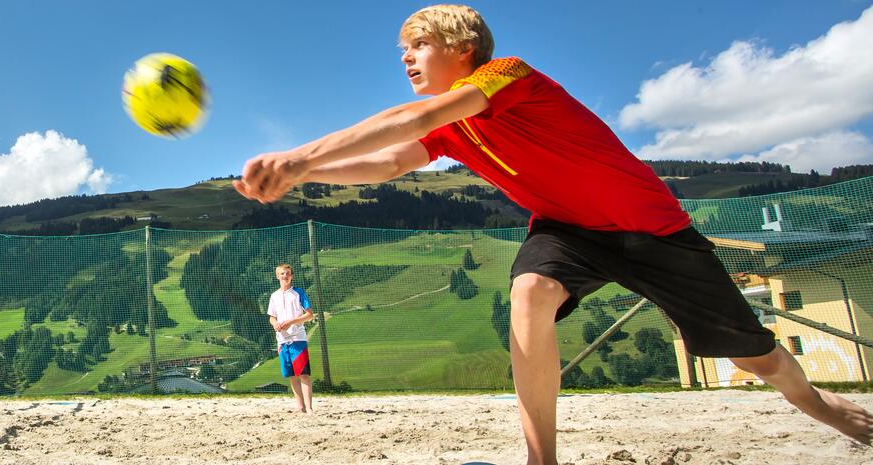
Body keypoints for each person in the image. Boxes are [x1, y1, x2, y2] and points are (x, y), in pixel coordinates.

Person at [232, 5, 870, 463]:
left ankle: (818, 404)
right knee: (530, 290)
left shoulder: (507, 74)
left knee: (751, 355)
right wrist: (305, 173)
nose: (405, 57)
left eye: (417, 45)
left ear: (462, 49)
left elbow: (417, 116)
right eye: (404, 49)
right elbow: (392, 161)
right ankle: (543, 460)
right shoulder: (450, 125)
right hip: (568, 231)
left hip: (654, 229)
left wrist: (300, 153)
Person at [267, 263, 315, 413]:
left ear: (292, 276)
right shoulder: (274, 296)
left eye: (288, 273)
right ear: (278, 276)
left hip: (297, 338)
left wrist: (291, 322)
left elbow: (309, 315)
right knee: (292, 375)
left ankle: (310, 408)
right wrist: (275, 324)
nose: (285, 276)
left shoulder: (298, 293)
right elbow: (272, 317)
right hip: (282, 340)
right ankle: (300, 407)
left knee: (304, 374)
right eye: (282, 273)